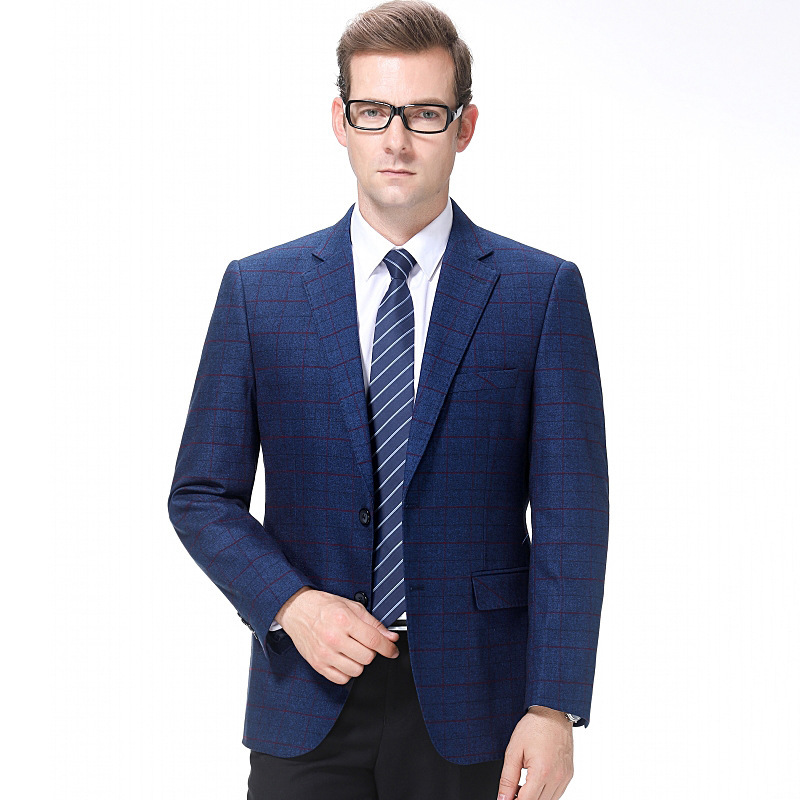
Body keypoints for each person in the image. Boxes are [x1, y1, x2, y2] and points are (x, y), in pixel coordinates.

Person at [167, 2, 609, 799]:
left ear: (465, 127)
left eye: (424, 114)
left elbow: (572, 518)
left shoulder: (539, 293)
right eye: (374, 111)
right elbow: (201, 495)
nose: (396, 140)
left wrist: (554, 706)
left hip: (478, 703)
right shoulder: (259, 292)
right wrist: (290, 603)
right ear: (340, 121)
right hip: (307, 694)